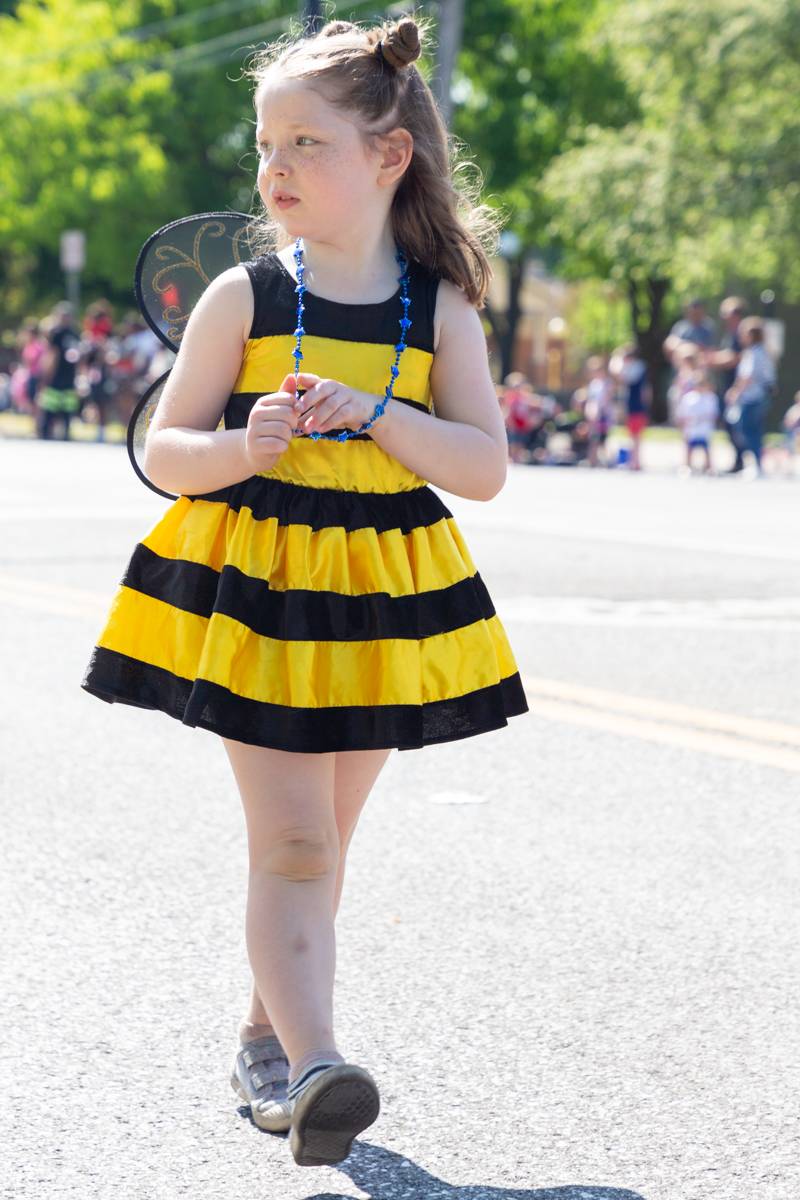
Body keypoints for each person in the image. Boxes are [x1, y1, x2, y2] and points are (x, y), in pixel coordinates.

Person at [79, 15, 529, 1169]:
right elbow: (164, 451)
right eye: (265, 143)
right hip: (262, 594)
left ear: (388, 157)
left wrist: (378, 412)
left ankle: (263, 1037)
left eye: (304, 144)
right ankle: (317, 1068)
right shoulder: (244, 295)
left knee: (326, 839)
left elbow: (480, 467)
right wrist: (246, 444)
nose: (273, 168)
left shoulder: (437, 306)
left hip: (381, 603)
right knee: (291, 843)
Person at [724, 316, 776, 478]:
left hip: (753, 397)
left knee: (746, 430)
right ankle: (757, 463)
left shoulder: (753, 353)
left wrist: (734, 392)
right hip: (759, 397)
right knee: (754, 430)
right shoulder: (763, 352)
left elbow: (747, 377)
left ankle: (756, 463)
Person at [708, 296, 747, 474]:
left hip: (737, 387)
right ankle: (738, 459)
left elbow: (734, 358)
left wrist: (711, 360)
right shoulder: (730, 334)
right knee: (729, 424)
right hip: (727, 385)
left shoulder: (741, 334)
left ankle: (742, 459)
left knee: (736, 424)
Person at [38, 302, 83, 439]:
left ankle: (65, 433)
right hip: (55, 375)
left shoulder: (75, 333)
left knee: (68, 407)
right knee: (50, 406)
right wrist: (46, 375)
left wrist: (79, 375)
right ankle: (45, 433)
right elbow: (52, 355)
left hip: (69, 376)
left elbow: (78, 357)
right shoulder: (56, 333)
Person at [610, 343, 649, 470]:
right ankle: (634, 460)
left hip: (636, 405)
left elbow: (617, 372)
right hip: (632, 405)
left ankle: (635, 461)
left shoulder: (636, 368)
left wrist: (616, 357)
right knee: (632, 434)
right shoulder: (638, 368)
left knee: (635, 435)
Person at [676, 368, 718, 474]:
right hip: (691, 427)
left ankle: (708, 466)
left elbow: (713, 414)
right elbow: (683, 414)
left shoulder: (710, 397)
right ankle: (687, 465)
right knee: (689, 447)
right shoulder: (688, 398)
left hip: (704, 427)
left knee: (706, 448)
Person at [582, 355, 616, 468]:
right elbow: (590, 400)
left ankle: (607, 459)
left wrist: (601, 411)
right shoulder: (593, 384)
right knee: (593, 438)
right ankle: (592, 459)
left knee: (603, 438)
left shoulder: (607, 383)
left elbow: (607, 399)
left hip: (603, 415)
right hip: (594, 415)